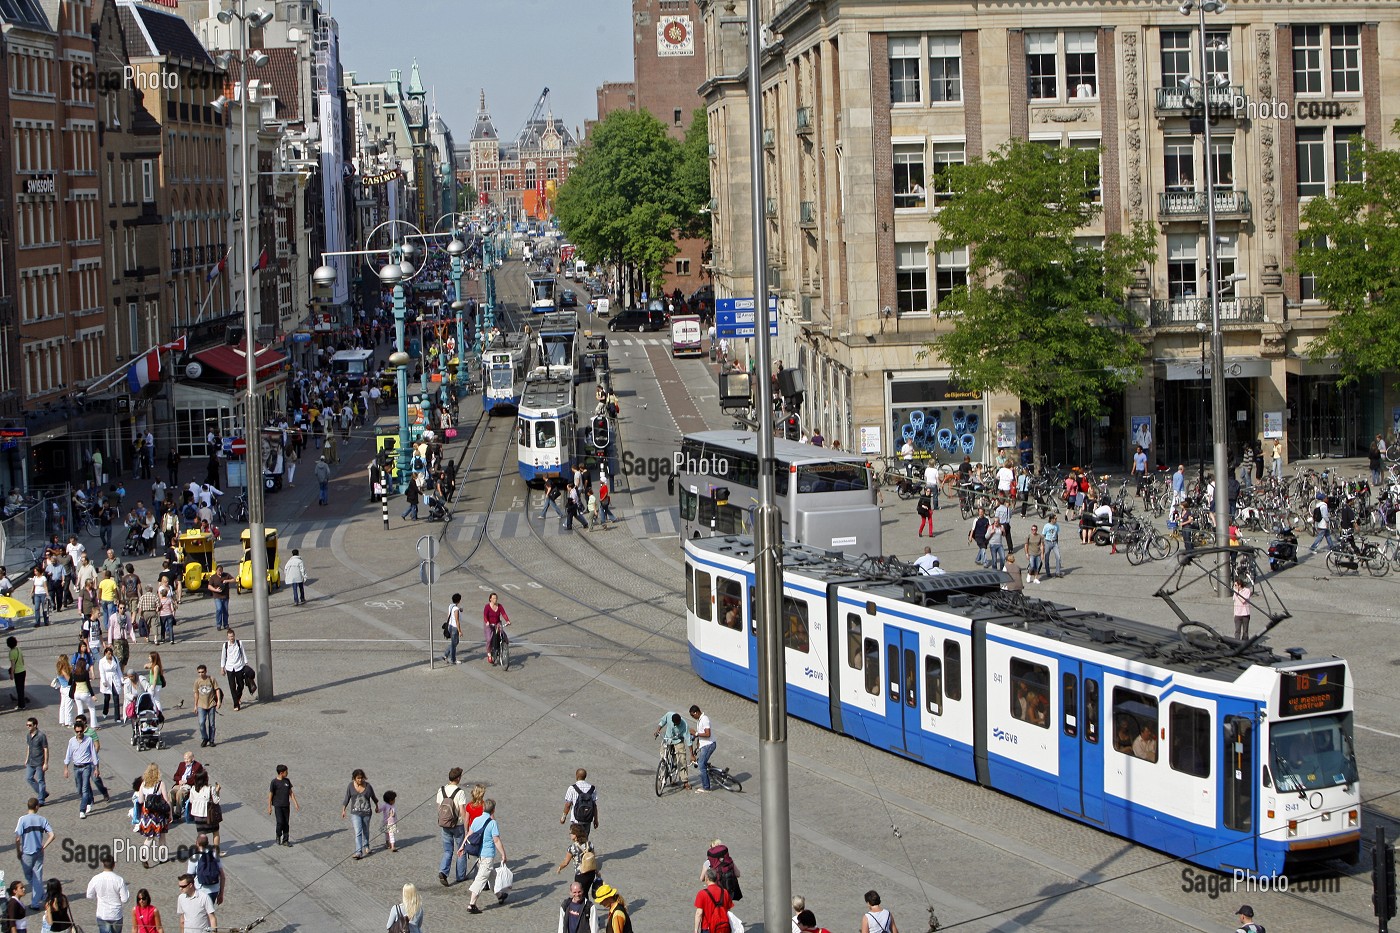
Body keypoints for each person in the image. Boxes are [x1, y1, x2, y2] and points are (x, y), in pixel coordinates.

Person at [466, 799, 507, 913]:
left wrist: (461, 847)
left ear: (483, 808)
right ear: (493, 810)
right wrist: (503, 855)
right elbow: (496, 840)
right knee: (481, 878)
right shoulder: (492, 823)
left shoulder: (476, 820)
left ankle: (499, 896)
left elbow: (469, 834)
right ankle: (472, 904)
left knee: (492, 875)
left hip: (479, 854)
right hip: (487, 855)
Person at [14, 797, 53, 910]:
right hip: (39, 852)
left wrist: (18, 851)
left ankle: (38, 900)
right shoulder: (42, 819)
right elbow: (52, 835)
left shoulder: (22, 819)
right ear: (37, 807)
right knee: (37, 877)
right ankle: (40, 897)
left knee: (29, 876)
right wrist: (44, 846)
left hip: (27, 853)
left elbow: (17, 838)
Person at [437, 767, 469, 886]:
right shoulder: (460, 792)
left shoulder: (441, 790)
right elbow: (462, 811)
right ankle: (460, 876)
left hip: (445, 824)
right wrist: (467, 826)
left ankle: (443, 871)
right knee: (461, 849)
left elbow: (439, 808)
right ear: (458, 778)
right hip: (458, 825)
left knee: (447, 850)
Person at [63, 720, 98, 818]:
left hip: (86, 766)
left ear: (83, 731)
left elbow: (93, 754)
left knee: (85, 788)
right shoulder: (72, 741)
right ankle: (89, 800)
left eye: (80, 731)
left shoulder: (89, 740)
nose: (79, 733)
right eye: (77, 731)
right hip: (76, 767)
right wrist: (66, 768)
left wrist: (96, 768)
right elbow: (68, 754)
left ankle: (82, 810)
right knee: (79, 789)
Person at [86, 855, 130, 933]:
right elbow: (125, 899)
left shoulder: (96, 879)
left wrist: (98, 898)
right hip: (116, 914)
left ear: (103, 864)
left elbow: (89, 895)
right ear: (114, 865)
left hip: (102, 913)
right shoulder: (119, 880)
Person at [342, 768, 379, 859]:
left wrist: (377, 806)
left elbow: (373, 797)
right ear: (354, 778)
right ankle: (359, 852)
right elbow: (347, 798)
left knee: (365, 830)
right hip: (355, 813)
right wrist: (343, 810)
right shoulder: (350, 786)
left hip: (366, 813)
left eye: (361, 778)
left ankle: (366, 846)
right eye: (358, 778)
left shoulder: (368, 786)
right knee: (358, 832)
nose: (360, 780)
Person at [186, 772, 222, 855]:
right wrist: (217, 791)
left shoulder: (193, 789)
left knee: (201, 835)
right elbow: (216, 801)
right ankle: (216, 851)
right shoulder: (210, 789)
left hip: (198, 816)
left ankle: (200, 851)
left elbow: (191, 800)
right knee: (215, 832)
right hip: (209, 816)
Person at [655, 711, 692, 790]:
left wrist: (692, 754)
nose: (675, 725)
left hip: (678, 741)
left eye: (677, 724)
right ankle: (662, 777)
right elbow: (662, 722)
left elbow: (688, 740)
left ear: (679, 722)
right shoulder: (669, 715)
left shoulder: (684, 725)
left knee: (682, 759)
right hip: (667, 739)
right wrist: (658, 730)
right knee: (663, 757)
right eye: (674, 723)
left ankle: (685, 782)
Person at [184, 835, 223, 906]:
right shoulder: (214, 855)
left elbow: (189, 878)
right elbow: (222, 876)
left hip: (200, 890)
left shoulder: (194, 858)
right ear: (208, 843)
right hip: (214, 890)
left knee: (201, 915)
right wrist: (221, 893)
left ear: (196, 843)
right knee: (209, 912)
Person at [562, 767, 599, 838]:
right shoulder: (592, 788)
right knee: (585, 838)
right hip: (588, 819)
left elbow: (568, 804)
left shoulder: (572, 788)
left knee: (576, 839)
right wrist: (596, 820)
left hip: (576, 819)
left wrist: (563, 817)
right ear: (585, 776)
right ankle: (585, 848)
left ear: (577, 776)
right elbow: (594, 806)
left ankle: (577, 849)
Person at [693, 867, 733, 933]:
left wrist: (696, 930)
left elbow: (699, 913)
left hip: (707, 927)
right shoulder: (725, 892)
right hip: (723, 926)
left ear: (707, 878)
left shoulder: (702, 893)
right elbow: (728, 910)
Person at [218, 630, 251, 711]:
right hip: (229, 668)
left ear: (234, 636)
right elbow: (223, 657)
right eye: (229, 636)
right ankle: (236, 704)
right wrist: (222, 668)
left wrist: (246, 663)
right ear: (227, 637)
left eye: (232, 636)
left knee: (241, 685)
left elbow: (243, 653)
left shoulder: (239, 643)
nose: (231, 638)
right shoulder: (225, 645)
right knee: (232, 686)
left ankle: (238, 697)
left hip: (239, 667)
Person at [268, 764, 299, 847]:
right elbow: (270, 794)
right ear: (281, 773)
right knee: (280, 822)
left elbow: (291, 793)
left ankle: (285, 840)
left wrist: (295, 803)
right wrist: (269, 807)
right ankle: (278, 835)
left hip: (286, 805)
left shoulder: (287, 781)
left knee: (286, 823)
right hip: (278, 805)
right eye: (286, 772)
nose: (287, 773)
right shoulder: (274, 782)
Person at [192, 665, 221, 748]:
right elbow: (196, 694)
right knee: (201, 723)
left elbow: (217, 689)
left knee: (212, 724)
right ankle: (205, 738)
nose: (201, 674)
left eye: (202, 672)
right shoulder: (197, 681)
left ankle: (211, 740)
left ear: (206, 671)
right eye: (199, 672)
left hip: (211, 704)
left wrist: (218, 701)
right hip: (201, 705)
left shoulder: (211, 679)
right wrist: (195, 705)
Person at [690, 704, 715, 792]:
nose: (693, 717)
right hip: (704, 745)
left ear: (696, 712)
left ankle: (706, 787)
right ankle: (710, 769)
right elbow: (701, 734)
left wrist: (696, 734)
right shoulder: (700, 720)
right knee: (702, 761)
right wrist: (698, 743)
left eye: (693, 715)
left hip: (709, 745)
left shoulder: (705, 719)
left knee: (701, 765)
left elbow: (708, 734)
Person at [23, 717, 48, 805]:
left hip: (39, 762)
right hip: (31, 761)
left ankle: (41, 800)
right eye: (27, 725)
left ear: (35, 725)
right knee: (29, 778)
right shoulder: (28, 735)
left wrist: (45, 763)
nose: (28, 727)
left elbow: (45, 749)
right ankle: (43, 793)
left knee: (41, 780)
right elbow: (29, 747)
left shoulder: (41, 735)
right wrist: (26, 759)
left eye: (30, 725)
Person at [483, 592, 509, 665]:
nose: (495, 599)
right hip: (489, 624)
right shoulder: (487, 606)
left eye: (496, 598)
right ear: (490, 599)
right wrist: (487, 622)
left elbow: (503, 614)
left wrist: (507, 620)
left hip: (497, 623)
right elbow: (485, 616)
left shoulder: (499, 606)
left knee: (502, 633)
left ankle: (504, 645)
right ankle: (489, 654)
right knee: (489, 639)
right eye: (494, 598)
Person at [206, 568, 231, 632]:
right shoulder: (213, 577)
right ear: (216, 571)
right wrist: (215, 590)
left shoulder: (226, 575)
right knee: (219, 609)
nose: (220, 573)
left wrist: (227, 581)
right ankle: (218, 624)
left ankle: (226, 624)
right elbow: (209, 586)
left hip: (225, 596)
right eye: (219, 571)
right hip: (217, 596)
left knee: (225, 610)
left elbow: (234, 579)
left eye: (221, 571)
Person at [443, 593, 463, 665]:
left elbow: (449, 615)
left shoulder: (451, 606)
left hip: (450, 626)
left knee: (454, 642)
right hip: (454, 628)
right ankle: (453, 659)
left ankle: (446, 655)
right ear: (459, 600)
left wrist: (459, 610)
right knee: (454, 644)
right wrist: (460, 631)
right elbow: (457, 621)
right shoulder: (456, 609)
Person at [1232, 576, 1253, 640]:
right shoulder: (1235, 592)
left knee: (1245, 631)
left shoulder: (1247, 591)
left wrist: (1237, 593)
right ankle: (1236, 643)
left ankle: (1245, 643)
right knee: (1237, 631)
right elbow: (1234, 602)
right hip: (1237, 614)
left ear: (1239, 585)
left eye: (1235, 585)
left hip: (1245, 614)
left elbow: (1243, 600)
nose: (1234, 586)